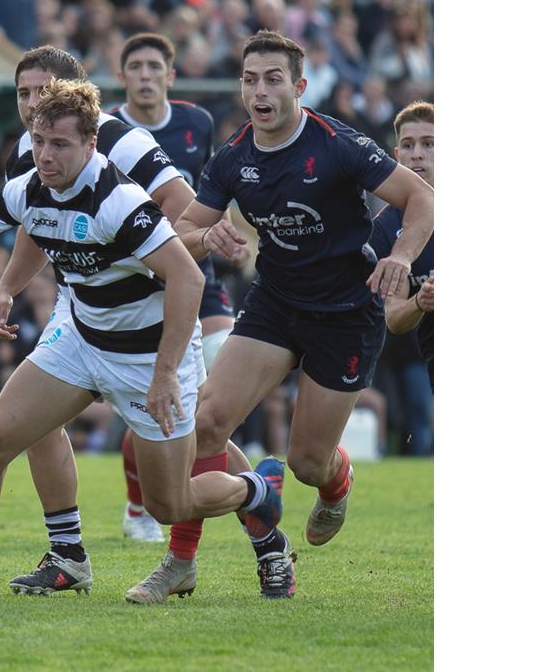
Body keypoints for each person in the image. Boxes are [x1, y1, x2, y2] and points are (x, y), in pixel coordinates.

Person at [0, 79, 284, 600]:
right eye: (39, 141)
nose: (44, 154)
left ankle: (257, 492)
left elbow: (189, 278)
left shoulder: (120, 201)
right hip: (82, 342)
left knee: (169, 506)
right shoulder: (27, 185)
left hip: (146, 357)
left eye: (59, 144)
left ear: (91, 144)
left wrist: (162, 376)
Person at [130, 30, 434, 602]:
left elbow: (422, 199)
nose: (259, 91)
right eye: (250, 79)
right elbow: (178, 234)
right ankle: (180, 562)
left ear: (299, 86)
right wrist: (205, 235)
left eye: (273, 79)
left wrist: (400, 255)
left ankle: (336, 479)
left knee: (306, 463)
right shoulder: (232, 157)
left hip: (346, 313)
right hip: (275, 305)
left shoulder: (338, 143)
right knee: (208, 421)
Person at [112, 32, 238, 543]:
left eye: (153, 66)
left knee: (215, 392)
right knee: (151, 400)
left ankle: (221, 497)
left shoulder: (196, 123)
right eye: (135, 66)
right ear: (121, 77)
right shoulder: (108, 131)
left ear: (171, 75)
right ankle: (140, 505)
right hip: (135, 283)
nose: (145, 75)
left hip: (196, 275)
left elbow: (206, 196)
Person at [371, 102, 434, 386]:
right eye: (407, 146)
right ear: (396, 156)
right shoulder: (383, 229)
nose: (417, 154)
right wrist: (421, 301)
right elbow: (394, 318)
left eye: (429, 143)